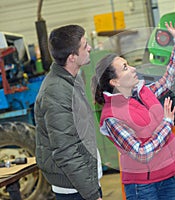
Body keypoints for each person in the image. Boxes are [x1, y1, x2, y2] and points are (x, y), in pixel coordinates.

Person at [91, 22, 175, 200]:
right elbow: (142, 153)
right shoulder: (112, 117)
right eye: (125, 68)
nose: (133, 69)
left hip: (165, 176)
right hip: (142, 186)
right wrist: (166, 123)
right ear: (115, 82)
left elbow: (169, 77)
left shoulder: (144, 92)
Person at [34, 24, 102, 200]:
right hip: (75, 189)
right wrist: (92, 194)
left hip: (83, 183)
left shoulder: (70, 80)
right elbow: (66, 151)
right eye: (85, 45)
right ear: (72, 57)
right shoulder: (56, 91)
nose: (90, 48)